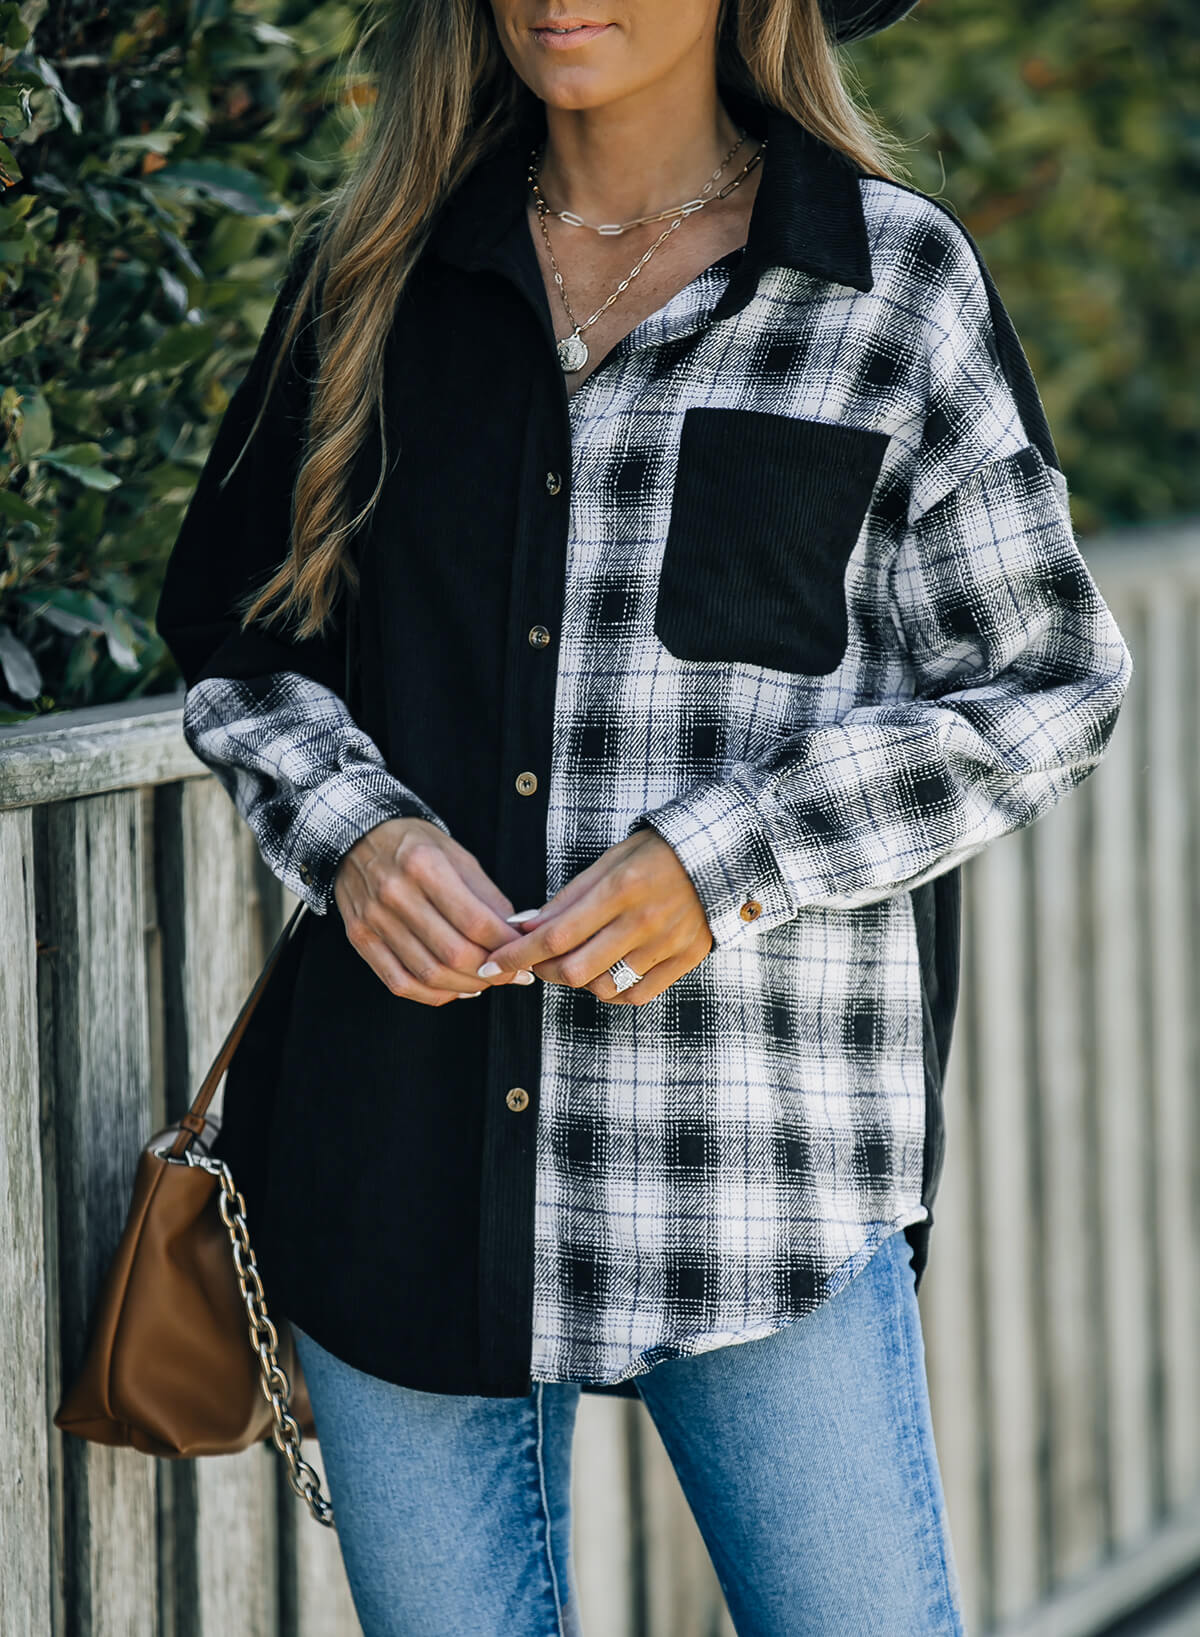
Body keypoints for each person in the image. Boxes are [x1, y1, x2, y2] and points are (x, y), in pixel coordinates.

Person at [155, 1, 1133, 1632]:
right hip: (403, 1163)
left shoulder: (889, 284)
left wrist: (726, 857)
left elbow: (1047, 681)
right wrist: (359, 834)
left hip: (753, 1172)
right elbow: (240, 639)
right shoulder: (375, 272)